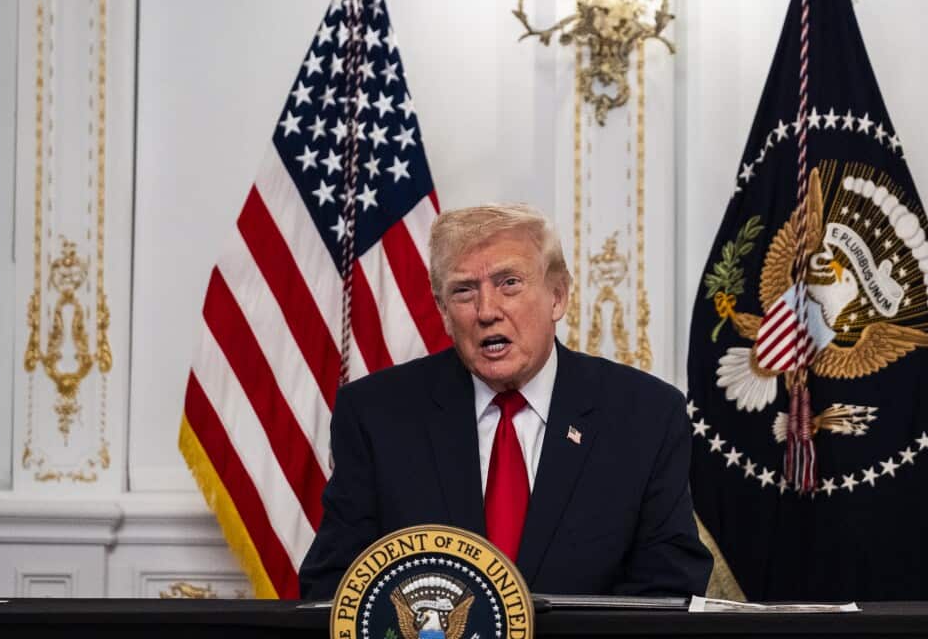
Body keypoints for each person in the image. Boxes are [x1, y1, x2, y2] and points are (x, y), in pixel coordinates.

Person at [299, 203, 711, 599]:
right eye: (463, 291)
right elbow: (335, 585)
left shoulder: (646, 416)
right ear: (443, 312)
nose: (486, 311)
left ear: (558, 296)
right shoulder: (376, 415)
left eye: (509, 283)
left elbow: (667, 589)